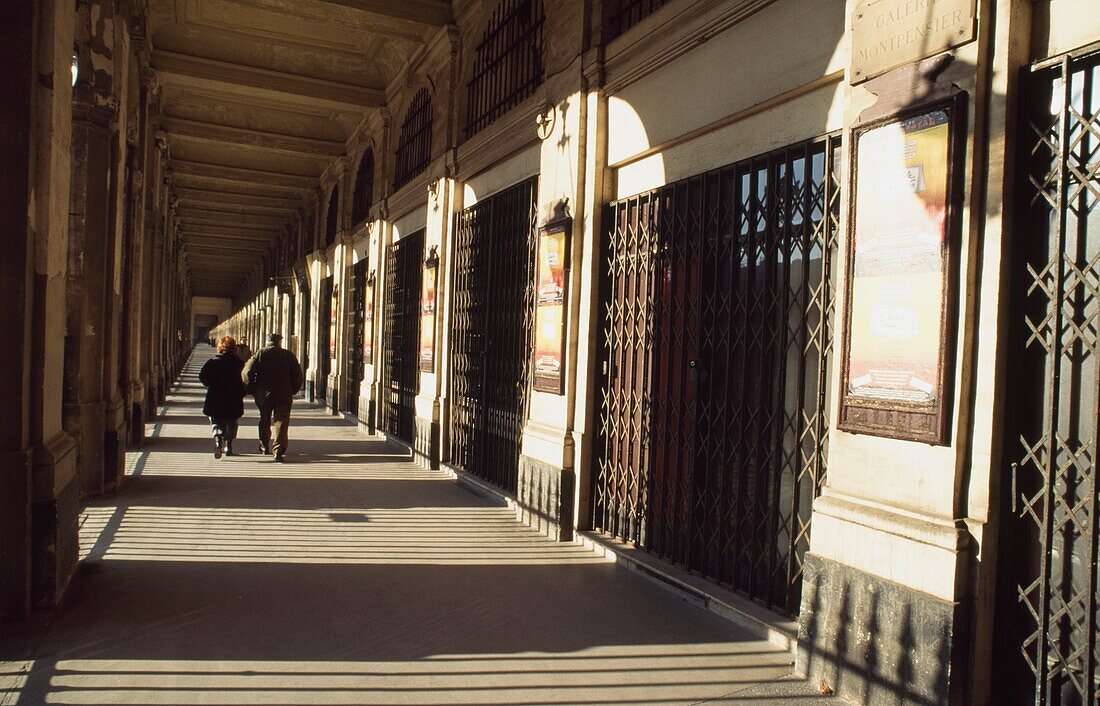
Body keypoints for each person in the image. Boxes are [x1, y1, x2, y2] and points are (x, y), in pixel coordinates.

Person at [242, 333, 304, 462]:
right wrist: (293, 389)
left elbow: (246, 373)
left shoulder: (259, 354)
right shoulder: (288, 355)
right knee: (281, 421)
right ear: (280, 342)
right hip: (283, 394)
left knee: (264, 420)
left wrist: (252, 388)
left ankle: (264, 446)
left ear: (267, 341)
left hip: (264, 394)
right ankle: (278, 450)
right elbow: (298, 375)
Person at [199, 336, 246, 459]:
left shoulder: (212, 362)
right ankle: (228, 446)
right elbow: (246, 379)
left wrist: (210, 384)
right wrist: (243, 391)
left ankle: (217, 439)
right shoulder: (239, 363)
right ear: (234, 348)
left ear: (219, 348)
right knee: (232, 422)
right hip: (233, 398)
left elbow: (202, 377)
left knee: (215, 421)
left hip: (215, 397)